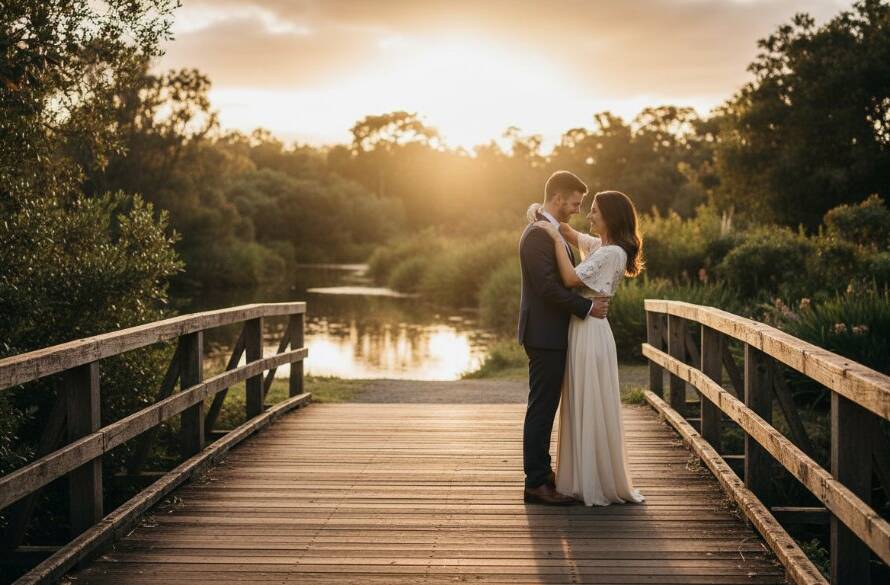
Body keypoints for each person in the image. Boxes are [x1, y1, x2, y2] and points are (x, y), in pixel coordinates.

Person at [533, 189, 645, 506]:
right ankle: (583, 474)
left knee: (590, 400)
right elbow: (569, 231)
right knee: (582, 399)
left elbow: (569, 279)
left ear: (610, 216)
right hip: (584, 328)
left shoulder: (611, 254)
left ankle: (594, 480)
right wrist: (541, 214)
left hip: (591, 332)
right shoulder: (601, 246)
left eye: (595, 210)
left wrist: (553, 239)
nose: (589, 215)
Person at [517, 170, 609, 505]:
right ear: (558, 197)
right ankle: (536, 482)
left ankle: (543, 474)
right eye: (574, 202)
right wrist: (587, 308)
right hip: (543, 335)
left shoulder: (549, 230)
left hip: (551, 333)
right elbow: (547, 288)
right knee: (542, 407)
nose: (576, 208)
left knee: (546, 405)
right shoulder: (538, 235)